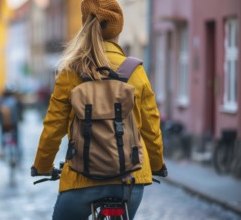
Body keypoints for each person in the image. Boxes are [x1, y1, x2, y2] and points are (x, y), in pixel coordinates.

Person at [30, 0, 167, 219]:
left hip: (80, 180)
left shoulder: (71, 71)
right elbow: (151, 126)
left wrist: (42, 166)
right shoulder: (135, 71)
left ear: (85, 25)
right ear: (118, 30)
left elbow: (53, 126)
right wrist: (158, 164)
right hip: (130, 181)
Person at [0, 87, 22, 161]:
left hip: (4, 124)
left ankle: (2, 149)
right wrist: (20, 118)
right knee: (17, 140)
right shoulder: (16, 101)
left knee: (2, 134)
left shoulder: (1, 101)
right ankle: (18, 155)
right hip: (14, 123)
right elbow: (20, 111)